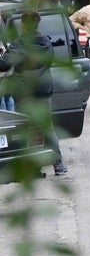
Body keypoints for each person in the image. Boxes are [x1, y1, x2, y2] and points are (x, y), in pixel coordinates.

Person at [0, 11, 68, 176]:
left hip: (24, 91)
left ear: (22, 25)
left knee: (26, 128)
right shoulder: (46, 42)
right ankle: (58, 164)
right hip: (43, 90)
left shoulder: (19, 44)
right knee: (47, 127)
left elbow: (4, 64)